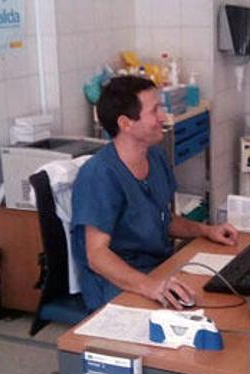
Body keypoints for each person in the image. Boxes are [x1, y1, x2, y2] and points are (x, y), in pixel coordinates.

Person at [71, 76, 239, 311]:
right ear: (126, 123)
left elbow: (164, 220)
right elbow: (97, 256)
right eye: (155, 110)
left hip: (158, 270)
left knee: (219, 296)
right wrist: (150, 286)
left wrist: (206, 230)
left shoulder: (156, 157)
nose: (163, 117)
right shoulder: (99, 175)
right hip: (116, 283)